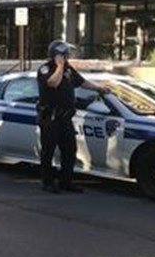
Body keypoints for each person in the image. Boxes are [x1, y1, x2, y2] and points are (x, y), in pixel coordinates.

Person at [37, 40, 109, 194]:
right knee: (48, 151)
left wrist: (99, 88)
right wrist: (60, 67)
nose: (66, 56)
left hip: (65, 118)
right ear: (56, 55)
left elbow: (81, 82)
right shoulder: (45, 69)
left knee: (70, 150)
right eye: (64, 54)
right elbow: (53, 83)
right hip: (50, 117)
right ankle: (48, 183)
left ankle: (66, 182)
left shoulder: (69, 69)